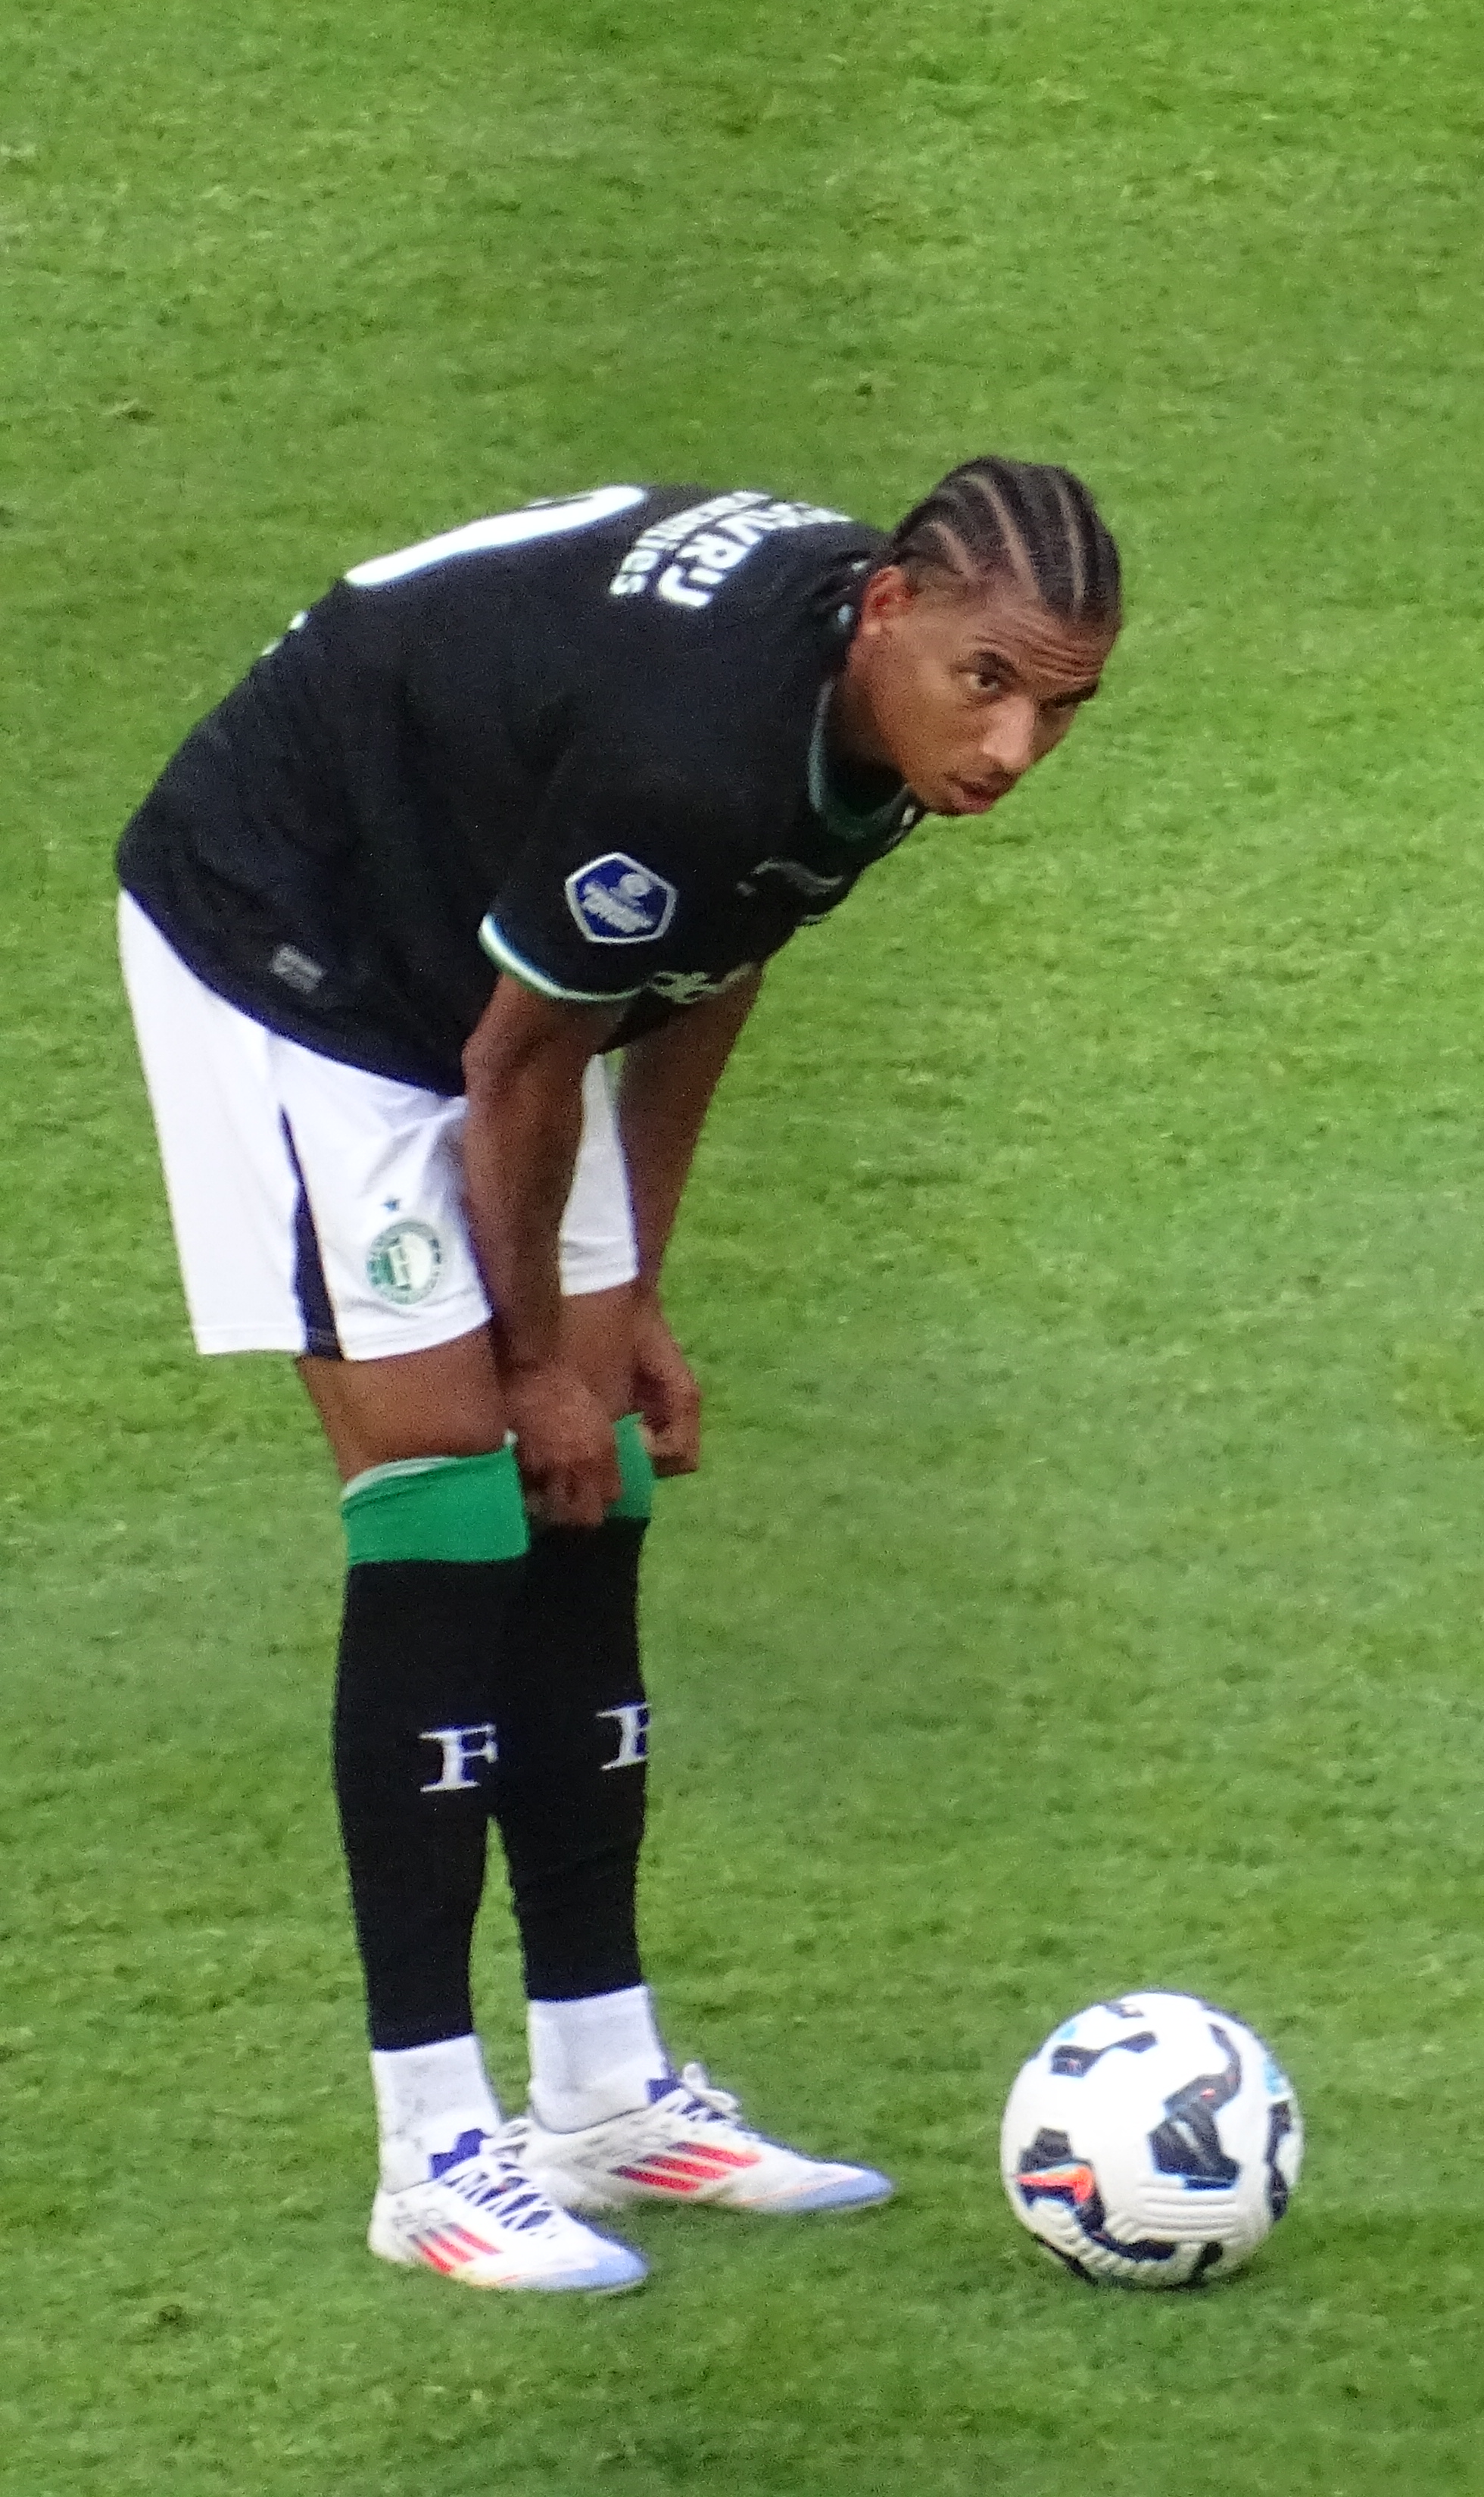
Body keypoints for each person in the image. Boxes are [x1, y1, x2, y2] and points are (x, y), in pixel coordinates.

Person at [115, 458, 1124, 2287]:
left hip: (500, 924)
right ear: (888, 607)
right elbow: (516, 1065)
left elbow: (708, 956)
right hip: (296, 926)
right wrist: (537, 1362)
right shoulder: (698, 749)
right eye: (994, 683)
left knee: (598, 1479)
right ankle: (430, 2148)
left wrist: (628, 1295)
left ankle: (599, 2094)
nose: (1018, 747)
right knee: (449, 1468)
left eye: (1065, 704)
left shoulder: (867, 734)